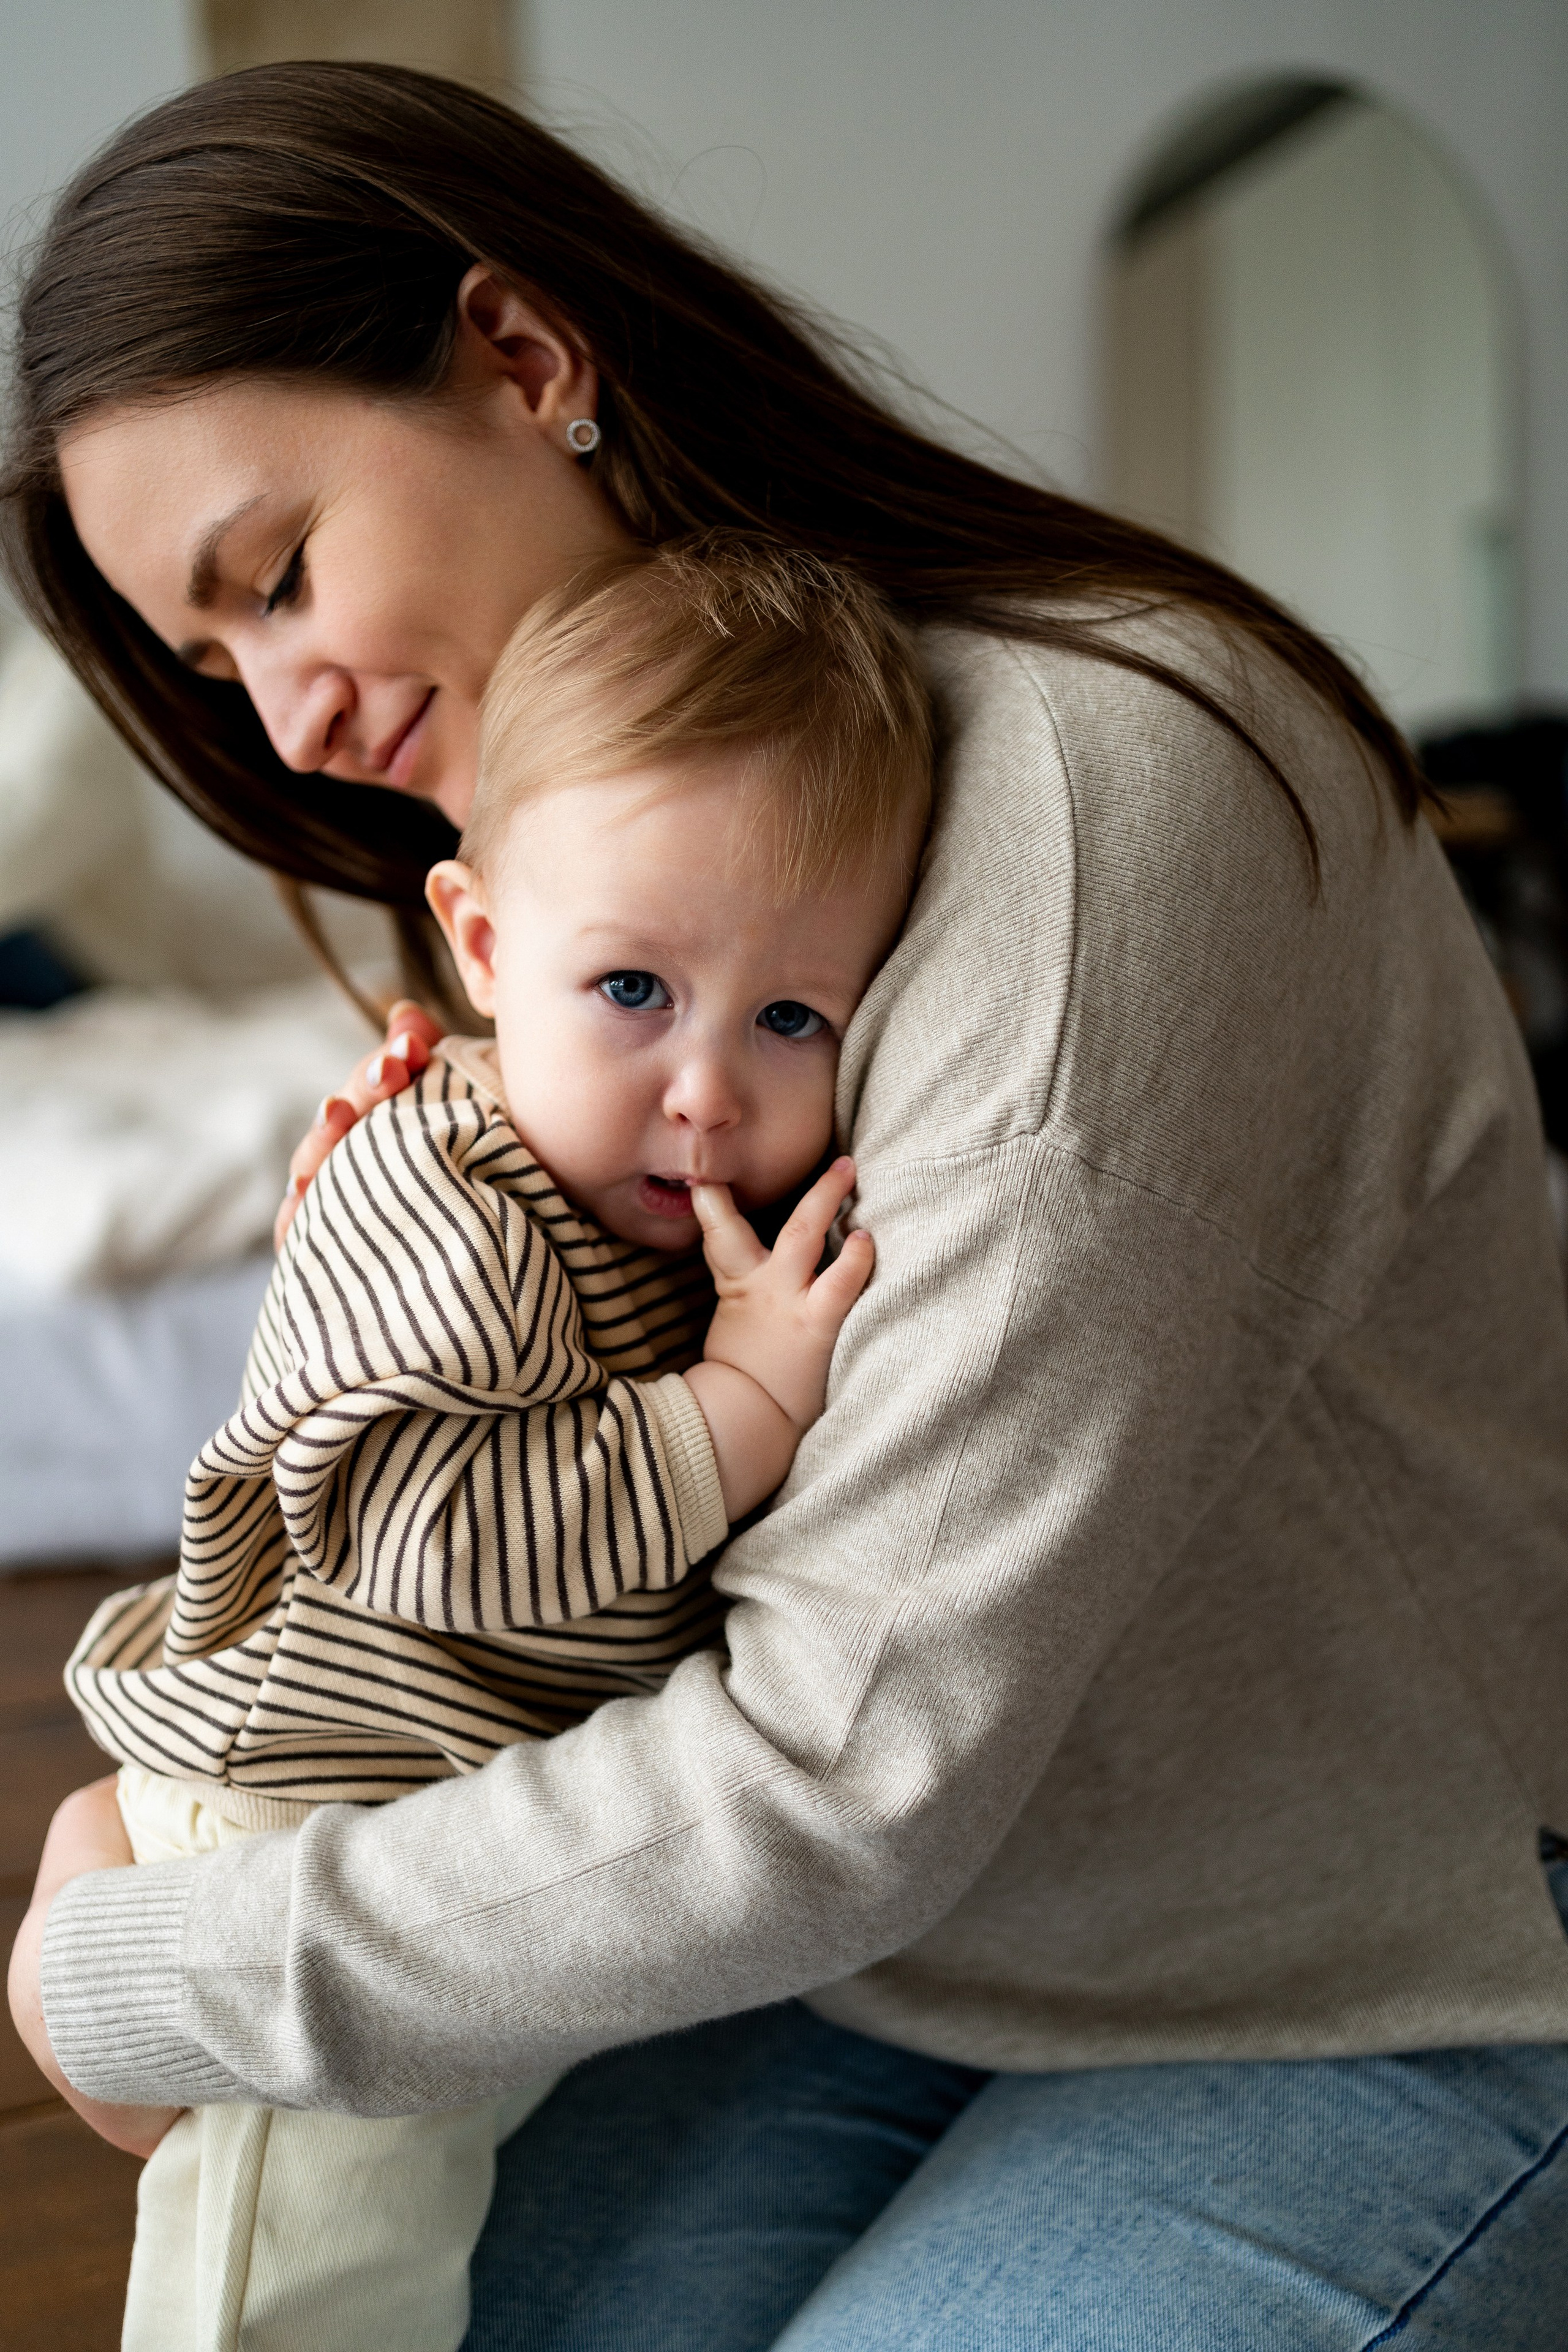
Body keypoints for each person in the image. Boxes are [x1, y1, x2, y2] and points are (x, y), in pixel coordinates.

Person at [7, 61, 1568, 2352]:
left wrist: (150, 1968)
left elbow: (841, 1771)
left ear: (526, 364)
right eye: (210, 661)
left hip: (1388, 1953)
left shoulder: (1091, 825)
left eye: (279, 577)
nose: (287, 716)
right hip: (936, 1940)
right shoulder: (648, 893)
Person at [64, 534, 922, 2351]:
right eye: (633, 991)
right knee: (306, 2288)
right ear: (480, 942)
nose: (705, 1087)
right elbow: (430, 1540)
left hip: (446, 1839)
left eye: (790, 1020)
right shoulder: (454, 1192)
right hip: (298, 1823)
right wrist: (742, 1410)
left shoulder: (654, 1216)